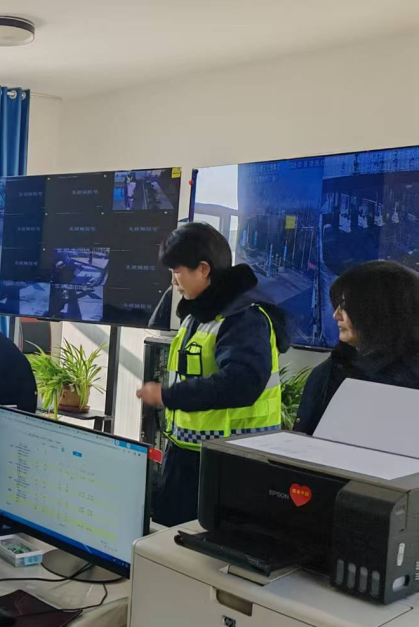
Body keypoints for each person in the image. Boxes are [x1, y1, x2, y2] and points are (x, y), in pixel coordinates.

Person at [136, 222, 290, 527]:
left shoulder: (244, 318)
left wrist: (168, 396)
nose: (174, 282)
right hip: (189, 454)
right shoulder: (201, 313)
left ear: (204, 269)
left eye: (177, 272)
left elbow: (241, 383)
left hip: (232, 465)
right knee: (165, 538)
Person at [295, 260, 419, 435]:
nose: (336, 315)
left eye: (345, 307)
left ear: (380, 312)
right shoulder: (329, 371)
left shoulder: (408, 380)